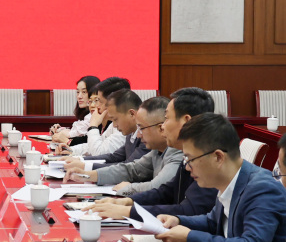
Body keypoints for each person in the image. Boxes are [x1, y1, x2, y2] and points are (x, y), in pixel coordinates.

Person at [154, 113, 286, 242]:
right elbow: (212, 221)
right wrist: (178, 221)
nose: (187, 167)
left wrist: (190, 237)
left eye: (190, 160)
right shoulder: (233, 180)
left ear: (218, 157)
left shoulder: (261, 188)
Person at [92, 86, 218, 220]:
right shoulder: (191, 154)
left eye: (167, 118)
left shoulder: (209, 158)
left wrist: (129, 212)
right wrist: (128, 202)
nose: (162, 126)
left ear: (186, 121)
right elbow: (166, 191)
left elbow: (189, 210)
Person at [68, 96, 181, 195]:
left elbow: (157, 187)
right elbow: (131, 169)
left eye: (141, 128)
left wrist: (129, 188)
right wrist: (88, 175)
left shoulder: (177, 152)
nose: (138, 135)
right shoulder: (156, 151)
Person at [49, 74, 100, 141]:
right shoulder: (85, 115)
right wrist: (59, 129)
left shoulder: (94, 115)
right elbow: (75, 132)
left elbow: (72, 135)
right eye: (77, 92)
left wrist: (59, 132)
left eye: (84, 92)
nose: (79, 96)